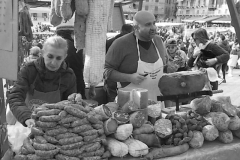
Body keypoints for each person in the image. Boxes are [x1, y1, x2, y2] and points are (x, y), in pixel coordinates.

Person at [7, 36, 79, 127]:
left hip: (54, 126)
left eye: (58, 58)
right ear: (42, 53)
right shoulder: (28, 70)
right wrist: (26, 117)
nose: (53, 62)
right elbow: (15, 97)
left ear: (65, 57)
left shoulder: (68, 75)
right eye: (50, 56)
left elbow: (69, 105)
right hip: (27, 121)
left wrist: (74, 99)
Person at [104, 11, 168, 102]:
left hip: (157, 101)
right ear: (136, 28)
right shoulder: (121, 44)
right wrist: (129, 77)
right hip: (130, 103)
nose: (153, 28)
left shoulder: (158, 41)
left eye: (154, 23)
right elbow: (106, 71)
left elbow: (165, 66)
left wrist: (170, 68)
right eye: (148, 25)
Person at [104, 24, 133, 102]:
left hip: (123, 74)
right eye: (128, 33)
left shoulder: (131, 43)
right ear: (122, 31)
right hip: (113, 73)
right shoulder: (111, 42)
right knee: (112, 94)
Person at [56, 24, 86, 99]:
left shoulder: (56, 47)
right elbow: (79, 67)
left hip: (61, 87)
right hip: (75, 85)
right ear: (71, 34)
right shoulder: (76, 47)